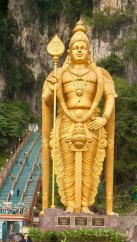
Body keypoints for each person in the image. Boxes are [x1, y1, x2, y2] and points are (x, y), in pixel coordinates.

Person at [42, 20, 116, 214]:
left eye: (83, 47)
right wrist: (51, 87)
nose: (80, 50)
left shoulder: (98, 74)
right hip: (66, 121)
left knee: (89, 167)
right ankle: (69, 205)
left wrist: (105, 118)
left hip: (92, 122)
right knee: (67, 166)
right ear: (69, 51)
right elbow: (47, 101)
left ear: (89, 51)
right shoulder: (61, 73)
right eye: (76, 47)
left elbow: (110, 96)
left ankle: (84, 205)